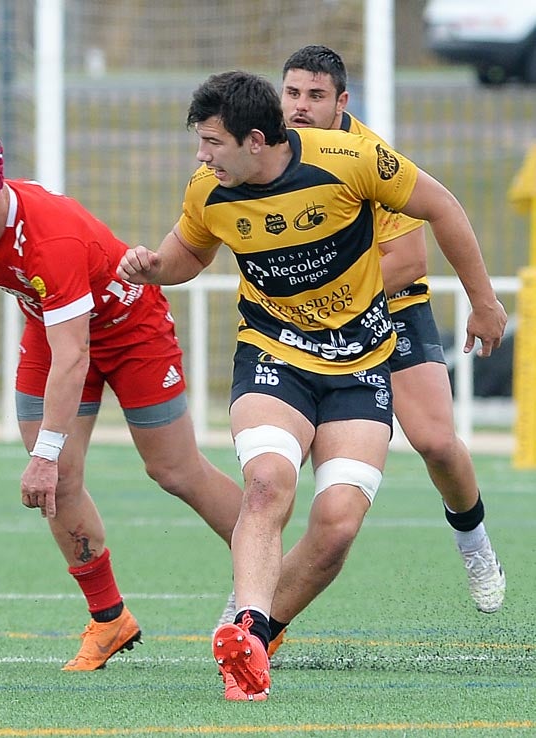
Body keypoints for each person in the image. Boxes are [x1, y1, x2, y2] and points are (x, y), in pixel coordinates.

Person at [117, 71, 506, 701]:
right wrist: (153, 268)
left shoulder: (351, 160)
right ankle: (247, 630)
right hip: (273, 356)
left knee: (337, 527)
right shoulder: (208, 190)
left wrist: (483, 302)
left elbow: (443, 207)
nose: (201, 155)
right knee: (269, 481)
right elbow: (186, 256)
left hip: (360, 364)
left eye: (212, 142)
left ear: (254, 140)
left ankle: (257, 628)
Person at [0, 124, 244, 670]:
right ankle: (109, 620)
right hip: (51, 326)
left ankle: (264, 597)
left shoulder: (48, 238)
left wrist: (43, 456)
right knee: (58, 482)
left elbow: (75, 356)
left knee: (174, 470)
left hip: (130, 327)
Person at [277, 45, 506, 620]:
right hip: (305, 323)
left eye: (316, 96)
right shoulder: (266, 155)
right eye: (293, 94)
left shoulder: (369, 156)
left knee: (434, 442)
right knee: (278, 464)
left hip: (392, 310)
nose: (301, 108)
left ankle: (475, 546)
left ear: (341, 102)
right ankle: (257, 598)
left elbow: (407, 259)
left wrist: (321, 290)